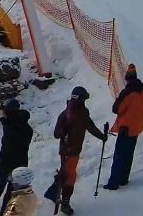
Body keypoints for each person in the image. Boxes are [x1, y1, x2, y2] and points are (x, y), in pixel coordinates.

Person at [49, 86, 107, 215]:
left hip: (75, 150)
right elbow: (56, 134)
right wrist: (63, 131)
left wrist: (101, 136)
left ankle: (60, 187)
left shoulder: (83, 113)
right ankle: (64, 201)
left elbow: (89, 125)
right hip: (67, 151)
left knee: (68, 174)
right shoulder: (65, 115)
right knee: (70, 176)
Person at [0, 98, 33, 216]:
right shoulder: (27, 128)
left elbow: (9, 147)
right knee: (11, 195)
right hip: (20, 165)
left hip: (6, 164)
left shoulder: (11, 127)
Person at [105, 64, 143, 190]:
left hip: (126, 128)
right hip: (137, 127)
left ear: (127, 78)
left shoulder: (128, 92)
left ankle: (114, 183)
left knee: (119, 155)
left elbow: (117, 108)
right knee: (129, 154)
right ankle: (124, 179)